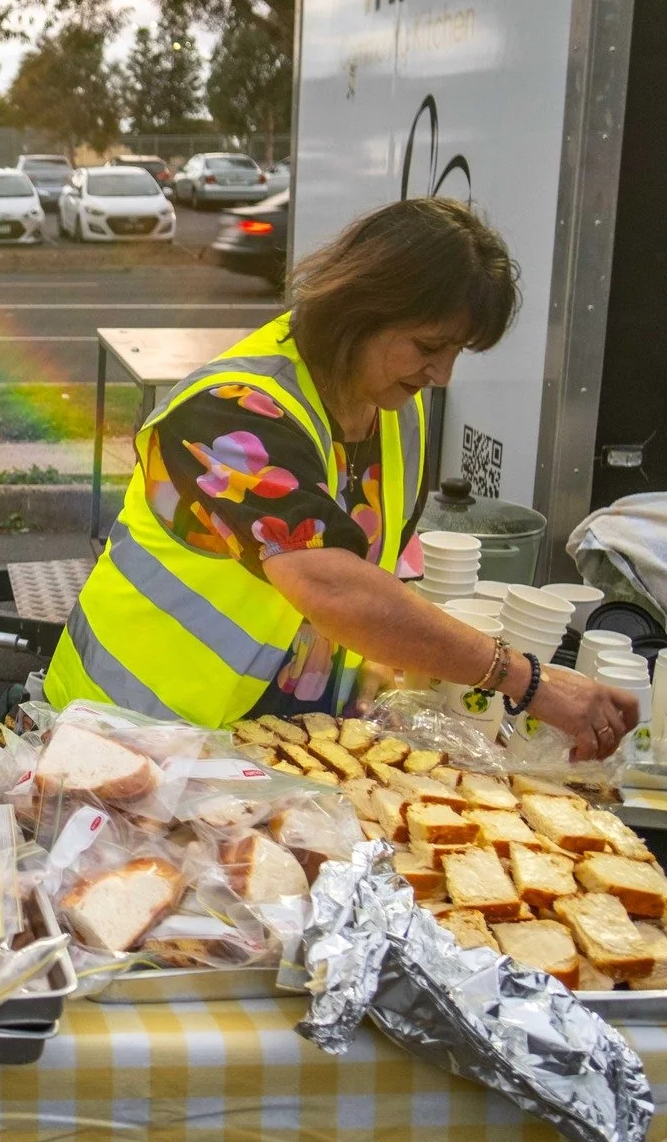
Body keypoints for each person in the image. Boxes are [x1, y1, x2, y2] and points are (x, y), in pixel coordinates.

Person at [45, 197, 639, 755]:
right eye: (429, 345)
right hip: (131, 734)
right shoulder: (231, 410)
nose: (442, 375)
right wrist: (526, 680)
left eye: (458, 350)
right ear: (359, 309)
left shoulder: (393, 411)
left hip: (260, 748)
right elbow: (329, 583)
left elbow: (379, 566)